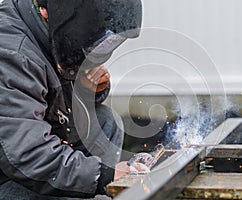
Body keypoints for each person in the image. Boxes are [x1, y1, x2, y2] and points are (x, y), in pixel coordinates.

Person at [0, 0, 144, 199]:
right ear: (48, 12)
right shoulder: (12, 54)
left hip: (26, 156)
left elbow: (51, 104)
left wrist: (85, 88)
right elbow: (25, 154)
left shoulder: (46, 30)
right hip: (10, 175)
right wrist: (106, 177)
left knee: (105, 121)